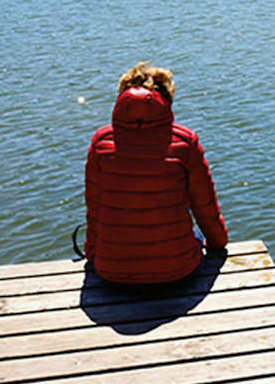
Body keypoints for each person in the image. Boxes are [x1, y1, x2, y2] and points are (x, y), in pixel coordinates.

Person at [84, 61, 228, 284]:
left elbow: (95, 209)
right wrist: (218, 244)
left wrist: (94, 255)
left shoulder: (101, 142)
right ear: (166, 98)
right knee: (192, 227)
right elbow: (205, 207)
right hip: (178, 271)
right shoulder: (184, 141)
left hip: (112, 273)